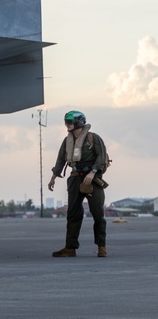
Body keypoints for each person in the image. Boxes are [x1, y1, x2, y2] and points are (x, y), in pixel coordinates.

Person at [48, 110, 109, 258]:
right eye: (66, 122)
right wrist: (54, 177)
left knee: (97, 213)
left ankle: (101, 247)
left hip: (92, 180)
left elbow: (101, 157)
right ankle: (70, 247)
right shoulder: (67, 140)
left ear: (79, 122)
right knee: (73, 214)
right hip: (75, 178)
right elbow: (61, 160)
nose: (67, 125)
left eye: (70, 122)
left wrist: (93, 172)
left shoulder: (93, 138)